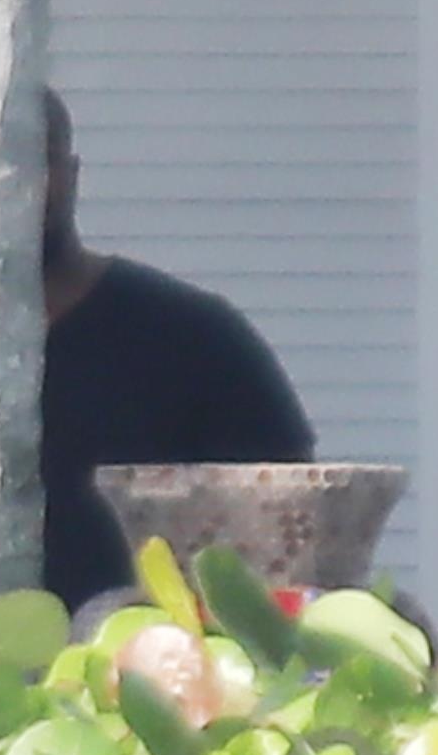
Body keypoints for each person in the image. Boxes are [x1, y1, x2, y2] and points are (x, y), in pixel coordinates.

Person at [41, 87, 315, 612]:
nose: (7, 186)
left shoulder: (195, 340)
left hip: (147, 681)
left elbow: (293, 549)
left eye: (31, 160)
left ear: (71, 174)